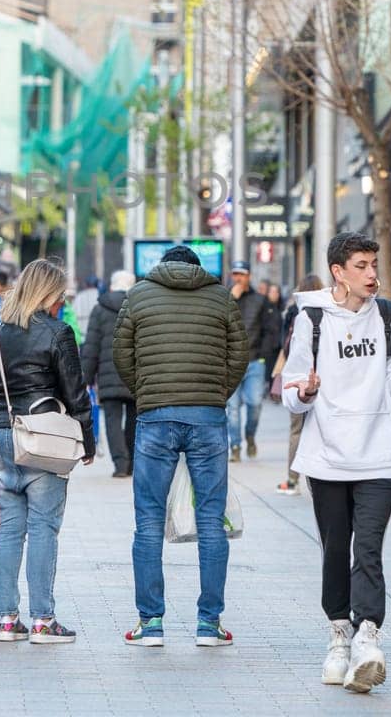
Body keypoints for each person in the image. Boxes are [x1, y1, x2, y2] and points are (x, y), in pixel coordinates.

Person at [281, 231, 391, 693]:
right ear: (338, 271)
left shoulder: (388, 314)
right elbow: (292, 388)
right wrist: (305, 391)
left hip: (379, 454)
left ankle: (368, 636)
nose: (373, 275)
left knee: (367, 547)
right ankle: (339, 635)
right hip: (327, 456)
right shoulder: (311, 319)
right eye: (362, 266)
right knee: (336, 548)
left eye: (375, 264)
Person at [114, 244, 248, 647]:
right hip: (207, 417)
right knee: (210, 520)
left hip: (156, 416)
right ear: (197, 268)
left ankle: (150, 623)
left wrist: (147, 391)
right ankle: (209, 624)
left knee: (149, 519)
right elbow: (239, 352)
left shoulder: (138, 294)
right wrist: (217, 391)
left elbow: (122, 353)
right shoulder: (221, 296)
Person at [0, 258, 96, 643]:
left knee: (10, 528)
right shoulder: (58, 332)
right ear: (50, 293)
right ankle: (43, 620)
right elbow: (75, 391)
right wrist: (88, 441)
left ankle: (6, 620)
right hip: (40, 438)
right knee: (43, 526)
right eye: (60, 294)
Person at [81, 270, 136, 478]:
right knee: (134, 418)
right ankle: (131, 461)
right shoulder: (138, 306)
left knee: (112, 419)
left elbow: (91, 346)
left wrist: (85, 378)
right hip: (134, 374)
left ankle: (120, 464)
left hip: (108, 373)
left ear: (112, 286)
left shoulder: (100, 309)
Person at [227, 259, 280, 462]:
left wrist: (264, 354)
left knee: (255, 403)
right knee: (232, 408)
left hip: (254, 360)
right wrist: (231, 299)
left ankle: (250, 435)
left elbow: (270, 328)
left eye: (241, 274)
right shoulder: (225, 298)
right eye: (235, 274)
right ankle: (235, 446)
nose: (238, 278)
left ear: (249, 276)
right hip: (230, 361)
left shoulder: (260, 300)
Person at [276, 273, 324, 495]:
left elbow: (285, 345)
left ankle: (292, 479)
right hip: (324, 378)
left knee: (296, 429)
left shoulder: (296, 312)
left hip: (299, 378)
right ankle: (320, 479)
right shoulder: (329, 312)